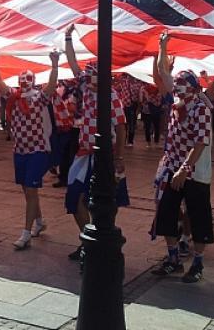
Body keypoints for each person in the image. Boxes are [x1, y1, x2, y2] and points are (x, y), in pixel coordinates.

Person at [151, 32, 214, 283]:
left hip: (195, 170)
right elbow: (161, 70)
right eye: (176, 82)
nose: (176, 86)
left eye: (181, 83)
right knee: (166, 212)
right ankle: (173, 258)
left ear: (193, 87)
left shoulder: (201, 107)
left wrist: (184, 170)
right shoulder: (178, 100)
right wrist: (163, 45)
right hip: (173, 165)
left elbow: (201, 141)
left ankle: (198, 263)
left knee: (199, 215)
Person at [64, 24, 128, 262]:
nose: (88, 79)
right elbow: (72, 63)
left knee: (108, 202)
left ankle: (98, 242)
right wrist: (68, 38)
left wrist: (119, 157)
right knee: (74, 199)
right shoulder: (84, 87)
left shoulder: (111, 95)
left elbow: (121, 126)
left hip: (106, 155)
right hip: (83, 153)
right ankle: (87, 240)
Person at [0, 50, 60, 249]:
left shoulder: (39, 98)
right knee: (27, 189)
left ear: (34, 80)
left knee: (30, 190)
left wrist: (54, 65)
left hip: (37, 150)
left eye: (28, 79)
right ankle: (39, 222)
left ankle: (26, 233)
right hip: (20, 150)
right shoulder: (13, 97)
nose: (25, 82)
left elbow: (52, 85)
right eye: (22, 79)